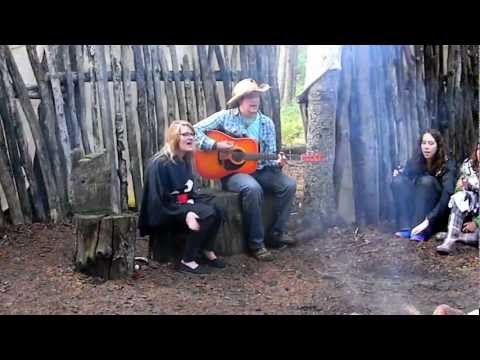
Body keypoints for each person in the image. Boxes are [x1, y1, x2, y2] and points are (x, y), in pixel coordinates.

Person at [194, 78, 297, 262]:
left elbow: (269, 156)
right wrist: (215, 145)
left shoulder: (267, 123)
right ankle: (256, 244)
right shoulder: (225, 117)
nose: (254, 99)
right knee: (253, 188)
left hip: (261, 170)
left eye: (257, 95)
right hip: (233, 173)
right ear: (240, 100)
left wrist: (278, 162)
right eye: (249, 96)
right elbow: (194, 131)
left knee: (288, 185)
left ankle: (276, 234)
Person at [138, 120, 225, 274]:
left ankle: (207, 249)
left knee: (218, 207)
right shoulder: (159, 164)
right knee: (207, 214)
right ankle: (188, 260)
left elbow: (186, 193)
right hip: (166, 210)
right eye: (185, 134)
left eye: (192, 134)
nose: (190, 137)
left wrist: (190, 204)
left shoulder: (184, 160)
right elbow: (157, 202)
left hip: (181, 203)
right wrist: (185, 213)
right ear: (174, 137)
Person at [391, 129, 456, 241]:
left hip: (435, 215)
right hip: (417, 208)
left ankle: (422, 230)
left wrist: (429, 219)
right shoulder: (415, 161)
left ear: (438, 146)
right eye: (424, 143)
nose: (426, 147)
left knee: (426, 181)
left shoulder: (447, 165)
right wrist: (399, 175)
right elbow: (405, 182)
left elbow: (448, 194)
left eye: (431, 143)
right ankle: (405, 227)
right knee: (398, 181)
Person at [436, 142, 479, 254]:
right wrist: (461, 188)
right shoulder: (469, 167)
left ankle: (457, 235)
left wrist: (477, 223)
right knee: (460, 197)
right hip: (471, 208)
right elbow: (458, 195)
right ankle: (449, 240)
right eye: (479, 149)